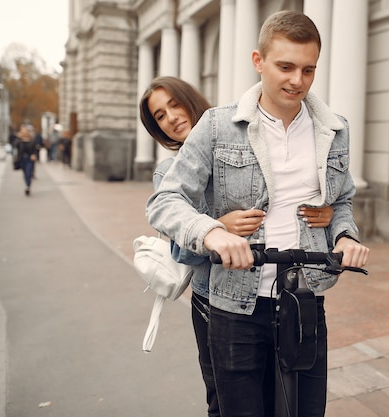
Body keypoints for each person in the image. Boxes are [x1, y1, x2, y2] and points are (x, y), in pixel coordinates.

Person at [146, 11, 369, 417]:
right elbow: (164, 201)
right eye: (285, 66)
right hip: (234, 304)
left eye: (308, 69)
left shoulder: (336, 130)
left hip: (305, 296)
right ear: (258, 61)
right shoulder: (217, 126)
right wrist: (213, 232)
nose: (296, 80)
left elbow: (343, 201)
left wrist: (345, 236)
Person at [139, 75, 335, 417]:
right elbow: (180, 251)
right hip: (212, 299)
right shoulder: (168, 171)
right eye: (159, 115)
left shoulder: (241, 137)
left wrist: (327, 207)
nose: (170, 116)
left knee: (278, 392)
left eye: (174, 104)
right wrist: (217, 228)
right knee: (224, 398)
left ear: (190, 99)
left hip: (272, 287)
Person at [13, 125, 39, 196]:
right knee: (25, 174)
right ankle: (27, 185)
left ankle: (28, 186)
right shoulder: (19, 141)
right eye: (22, 131)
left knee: (28, 173)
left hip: (29, 159)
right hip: (21, 159)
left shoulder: (32, 140)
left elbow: (35, 150)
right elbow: (15, 145)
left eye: (25, 131)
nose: (23, 132)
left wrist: (34, 155)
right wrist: (18, 137)